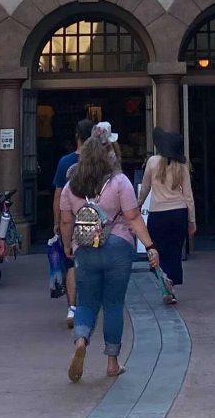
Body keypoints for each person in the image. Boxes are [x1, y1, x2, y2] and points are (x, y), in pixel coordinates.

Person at [59, 126, 160, 382]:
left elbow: (66, 220)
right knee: (113, 304)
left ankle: (81, 340)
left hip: (86, 250)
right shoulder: (119, 182)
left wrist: (67, 245)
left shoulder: (71, 186)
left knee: (86, 302)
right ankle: (112, 362)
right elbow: (133, 217)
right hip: (118, 246)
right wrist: (149, 246)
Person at [139, 129, 196, 301]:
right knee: (174, 251)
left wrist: (137, 205)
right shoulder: (182, 167)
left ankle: (165, 284)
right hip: (179, 213)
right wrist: (192, 220)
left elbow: (145, 188)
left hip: (158, 213)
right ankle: (170, 282)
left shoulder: (152, 162)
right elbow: (188, 196)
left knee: (157, 251)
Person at [53, 118, 95, 320]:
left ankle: (72, 308)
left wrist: (57, 222)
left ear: (77, 137)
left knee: (70, 263)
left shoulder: (65, 162)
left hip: (72, 217)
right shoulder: (98, 162)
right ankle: (91, 303)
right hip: (95, 220)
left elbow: (58, 195)